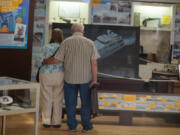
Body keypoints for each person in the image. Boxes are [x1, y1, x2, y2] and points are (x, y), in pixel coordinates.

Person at [43, 23, 100, 132]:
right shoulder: (90, 43)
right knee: (86, 103)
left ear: (72, 31)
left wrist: (45, 62)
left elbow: (56, 60)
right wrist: (94, 80)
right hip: (85, 79)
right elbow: (94, 63)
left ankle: (72, 126)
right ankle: (86, 126)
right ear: (82, 31)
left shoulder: (66, 42)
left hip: (70, 79)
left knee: (70, 103)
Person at [39, 28, 64, 128]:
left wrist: (46, 62)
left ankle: (46, 121)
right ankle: (57, 122)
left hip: (46, 74)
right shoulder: (64, 47)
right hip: (60, 74)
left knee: (46, 98)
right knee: (58, 99)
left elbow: (39, 61)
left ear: (52, 35)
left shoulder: (45, 47)